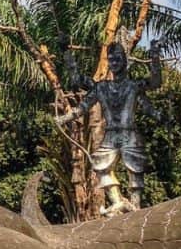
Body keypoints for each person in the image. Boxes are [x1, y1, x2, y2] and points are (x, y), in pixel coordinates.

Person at [57, 40, 163, 213]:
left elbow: (155, 83)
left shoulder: (134, 86)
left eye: (118, 59)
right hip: (110, 136)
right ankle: (117, 201)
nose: (114, 63)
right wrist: (67, 54)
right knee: (100, 165)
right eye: (111, 59)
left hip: (130, 135)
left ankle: (135, 205)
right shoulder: (101, 87)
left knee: (135, 169)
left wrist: (155, 55)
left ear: (125, 61)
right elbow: (81, 100)